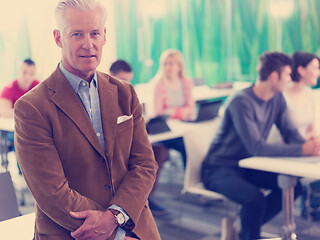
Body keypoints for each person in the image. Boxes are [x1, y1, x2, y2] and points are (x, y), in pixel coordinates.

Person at [14, 1, 160, 240]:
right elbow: (51, 192)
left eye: (94, 33)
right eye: (77, 34)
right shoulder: (31, 107)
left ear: (104, 36)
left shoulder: (126, 93)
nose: (88, 44)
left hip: (132, 226)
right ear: (58, 38)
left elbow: (144, 165)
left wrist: (116, 218)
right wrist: (111, 233)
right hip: (72, 232)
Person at [201, 52, 320, 240]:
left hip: (248, 165)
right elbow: (256, 147)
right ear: (274, 76)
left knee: (292, 186)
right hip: (218, 169)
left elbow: (289, 133)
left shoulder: (277, 98)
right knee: (254, 200)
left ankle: (244, 227)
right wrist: (301, 149)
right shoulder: (241, 101)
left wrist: (310, 146)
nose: (289, 80)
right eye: (287, 75)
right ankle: (249, 233)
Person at [109, 59, 169, 214]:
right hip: (116, 147)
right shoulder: (105, 96)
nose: (127, 84)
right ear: (111, 75)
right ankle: (134, 201)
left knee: (159, 152)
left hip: (133, 138)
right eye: (123, 80)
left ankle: (146, 197)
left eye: (129, 80)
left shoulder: (129, 93)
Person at [0, 58, 39, 175]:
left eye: (31, 74)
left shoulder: (37, 86)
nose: (27, 77)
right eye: (24, 72)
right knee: (21, 138)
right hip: (14, 130)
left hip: (33, 129)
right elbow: (3, 111)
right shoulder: (9, 89)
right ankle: (23, 173)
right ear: (19, 71)